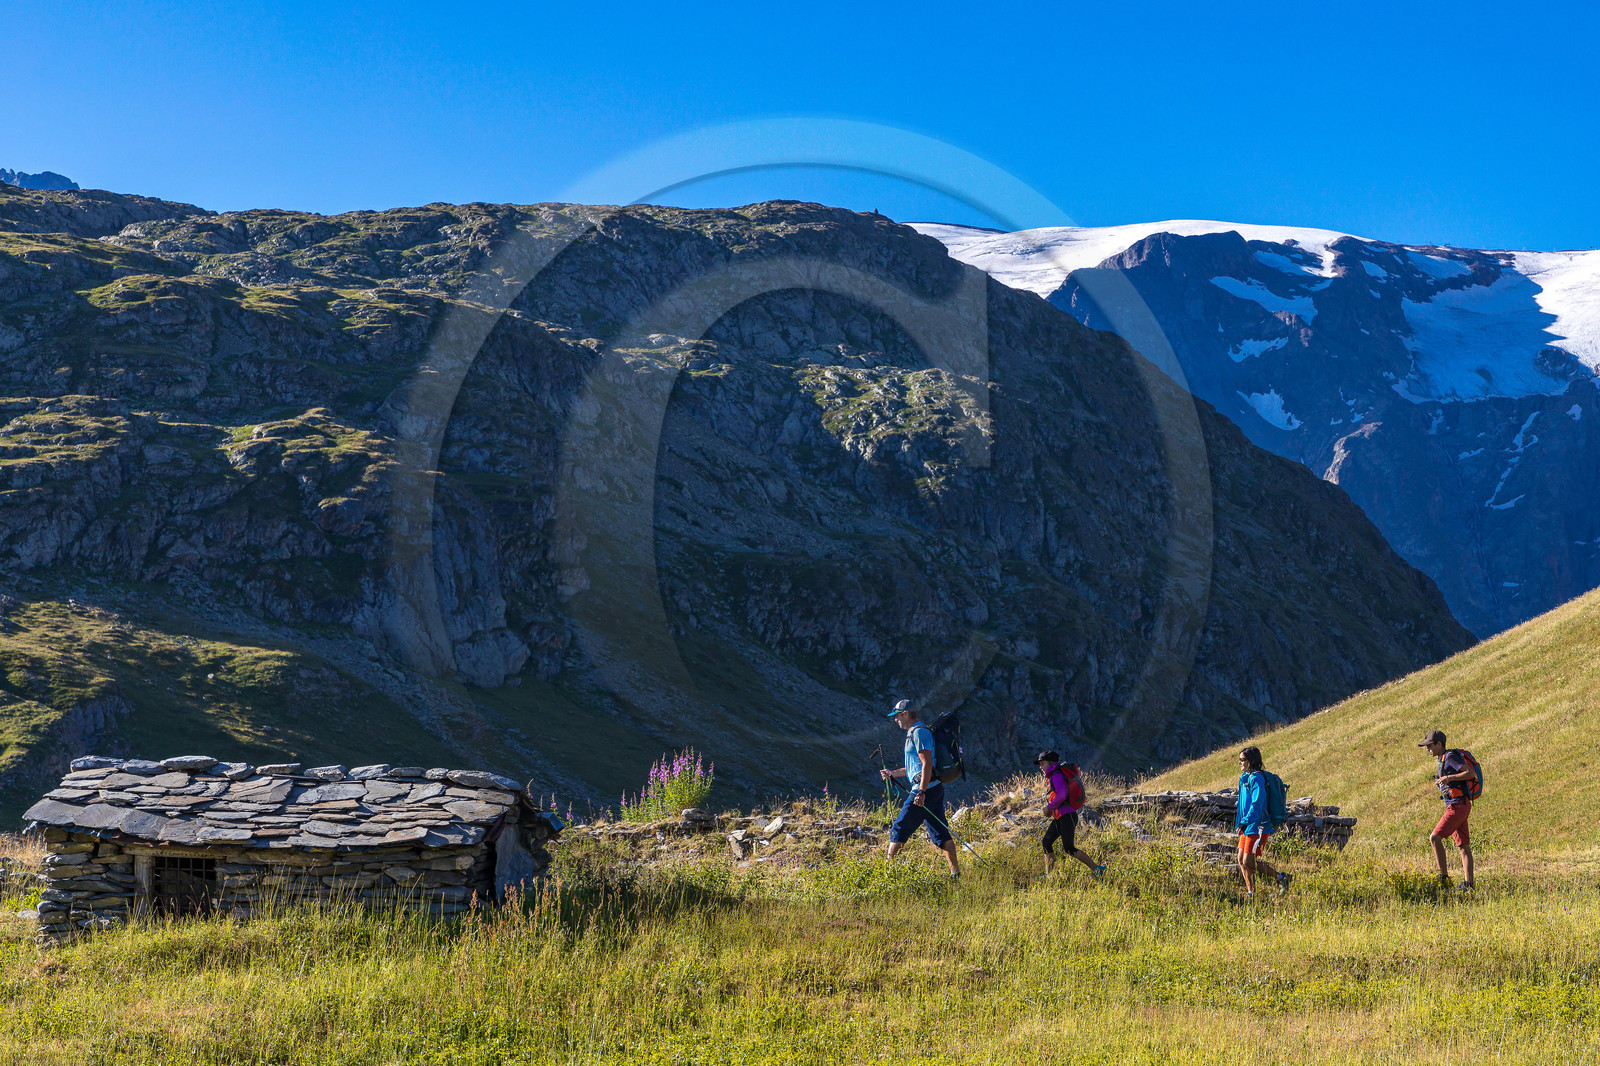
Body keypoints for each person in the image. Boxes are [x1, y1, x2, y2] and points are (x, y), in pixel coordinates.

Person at [879, 699, 961, 878]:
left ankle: (887, 875)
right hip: (932, 788)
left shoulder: (919, 733)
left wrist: (921, 792)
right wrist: (893, 773)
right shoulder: (914, 733)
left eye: (897, 716)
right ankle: (955, 875)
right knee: (941, 833)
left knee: (899, 829)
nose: (895, 720)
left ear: (906, 714)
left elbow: (927, 764)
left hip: (925, 790)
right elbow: (914, 768)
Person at [1035, 751, 1105, 880]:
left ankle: (1097, 869)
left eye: (1042, 763)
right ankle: (1049, 876)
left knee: (1068, 848)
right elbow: (1060, 797)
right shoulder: (1054, 775)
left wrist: (1048, 807)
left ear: (1051, 763)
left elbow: (1062, 796)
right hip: (1061, 817)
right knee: (1046, 842)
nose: (1040, 767)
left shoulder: (1056, 775)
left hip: (1067, 817)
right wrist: (1052, 810)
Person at [1418, 729, 1474, 890]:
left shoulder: (1449, 757)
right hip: (1458, 804)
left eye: (1430, 746)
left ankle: (1443, 880)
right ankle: (1468, 885)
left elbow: (1470, 773)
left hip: (1457, 805)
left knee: (1435, 838)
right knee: (1463, 846)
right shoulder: (1442, 759)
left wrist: (1449, 778)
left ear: (1439, 744)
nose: (1428, 749)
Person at [1236, 746, 1291, 898]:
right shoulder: (1245, 778)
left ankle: (1282, 877)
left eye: (1242, 759)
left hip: (1258, 826)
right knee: (1241, 860)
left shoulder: (1256, 778)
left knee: (1249, 861)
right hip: (1248, 825)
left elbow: (1257, 803)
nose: (1240, 762)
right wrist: (1242, 823)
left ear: (1251, 761)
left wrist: (1244, 822)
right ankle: (1251, 893)